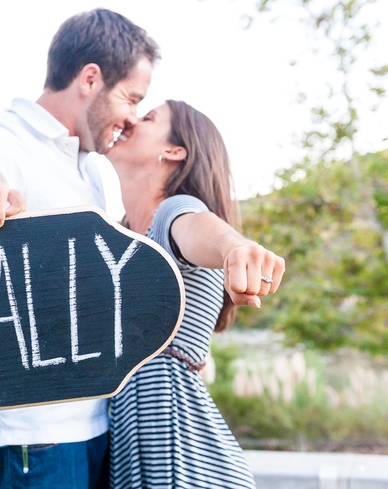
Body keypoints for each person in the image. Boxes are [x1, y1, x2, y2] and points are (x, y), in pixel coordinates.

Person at [0, 9, 283, 489]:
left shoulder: (95, 176)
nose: (130, 119)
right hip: (34, 439)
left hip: (103, 428)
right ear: (89, 79)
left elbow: (189, 228)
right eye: (132, 99)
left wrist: (230, 253)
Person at [105, 100, 279, 488]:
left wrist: (234, 248)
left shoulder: (173, 212)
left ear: (173, 151)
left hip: (186, 462)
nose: (131, 118)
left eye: (148, 117)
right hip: (144, 460)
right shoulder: (121, 236)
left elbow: (201, 229)